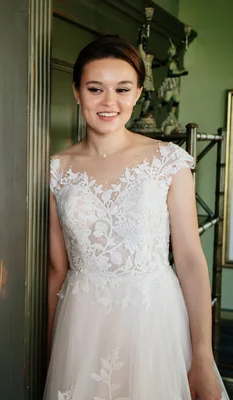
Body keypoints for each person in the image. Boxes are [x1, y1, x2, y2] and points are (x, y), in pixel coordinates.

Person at [44, 35, 228, 400]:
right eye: (95, 88)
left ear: (139, 92)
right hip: (82, 329)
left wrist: (203, 358)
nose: (109, 102)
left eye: (123, 89)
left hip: (153, 322)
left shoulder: (168, 161)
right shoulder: (56, 169)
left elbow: (191, 261)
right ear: (77, 92)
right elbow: (56, 269)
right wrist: (49, 352)